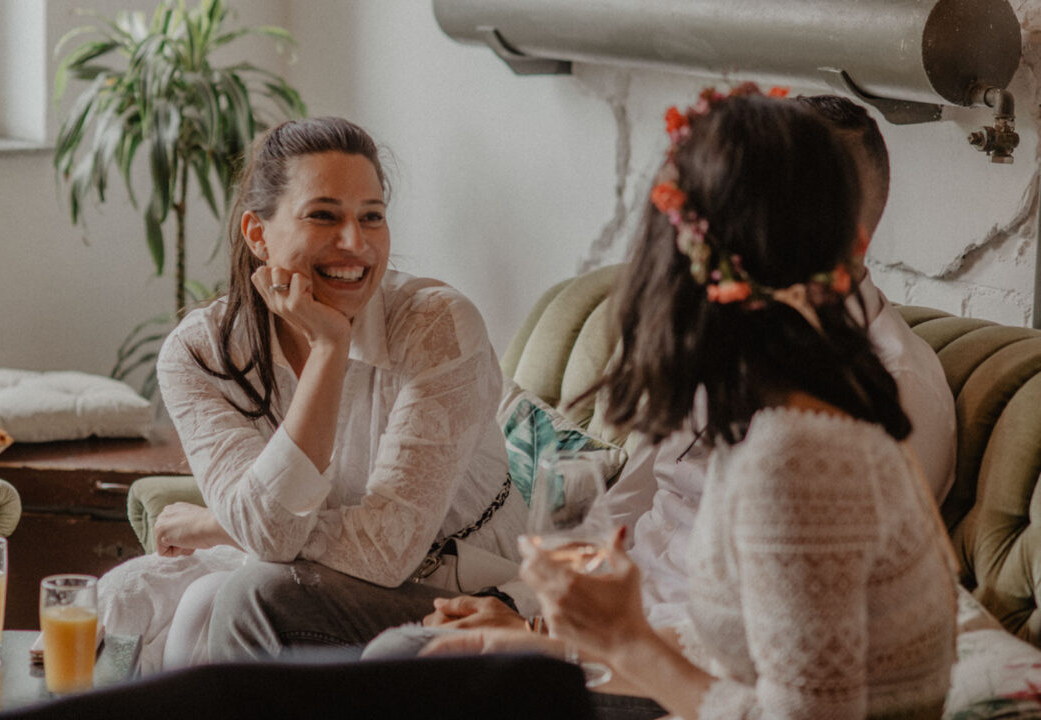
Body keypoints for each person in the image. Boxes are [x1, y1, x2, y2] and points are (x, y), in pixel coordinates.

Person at [420, 87, 958, 718]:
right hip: (657, 656)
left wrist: (592, 642)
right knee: (407, 662)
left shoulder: (809, 450)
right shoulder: (764, 384)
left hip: (671, 679)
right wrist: (545, 626)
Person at [98, 116, 526, 673]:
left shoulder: (437, 326)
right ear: (258, 235)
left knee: (254, 594)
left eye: (371, 217)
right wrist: (330, 350)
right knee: (126, 593)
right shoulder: (201, 353)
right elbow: (271, 532)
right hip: (320, 573)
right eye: (324, 216)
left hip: (462, 591)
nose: (355, 243)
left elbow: (383, 551)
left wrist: (221, 523)